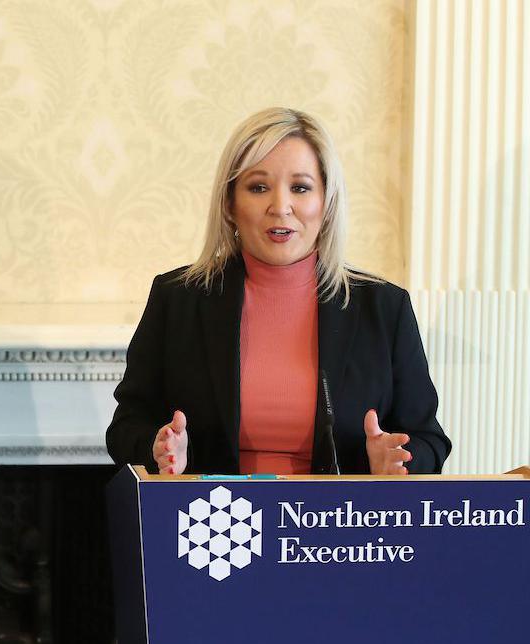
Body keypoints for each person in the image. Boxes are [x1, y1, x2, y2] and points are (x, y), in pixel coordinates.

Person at [106, 108, 450, 476]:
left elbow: (430, 440)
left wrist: (398, 459)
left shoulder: (384, 307)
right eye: (258, 188)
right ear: (230, 204)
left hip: (335, 524)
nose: (280, 207)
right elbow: (126, 427)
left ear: (327, 202)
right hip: (217, 519)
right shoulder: (178, 299)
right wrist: (157, 448)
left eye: (300, 188)